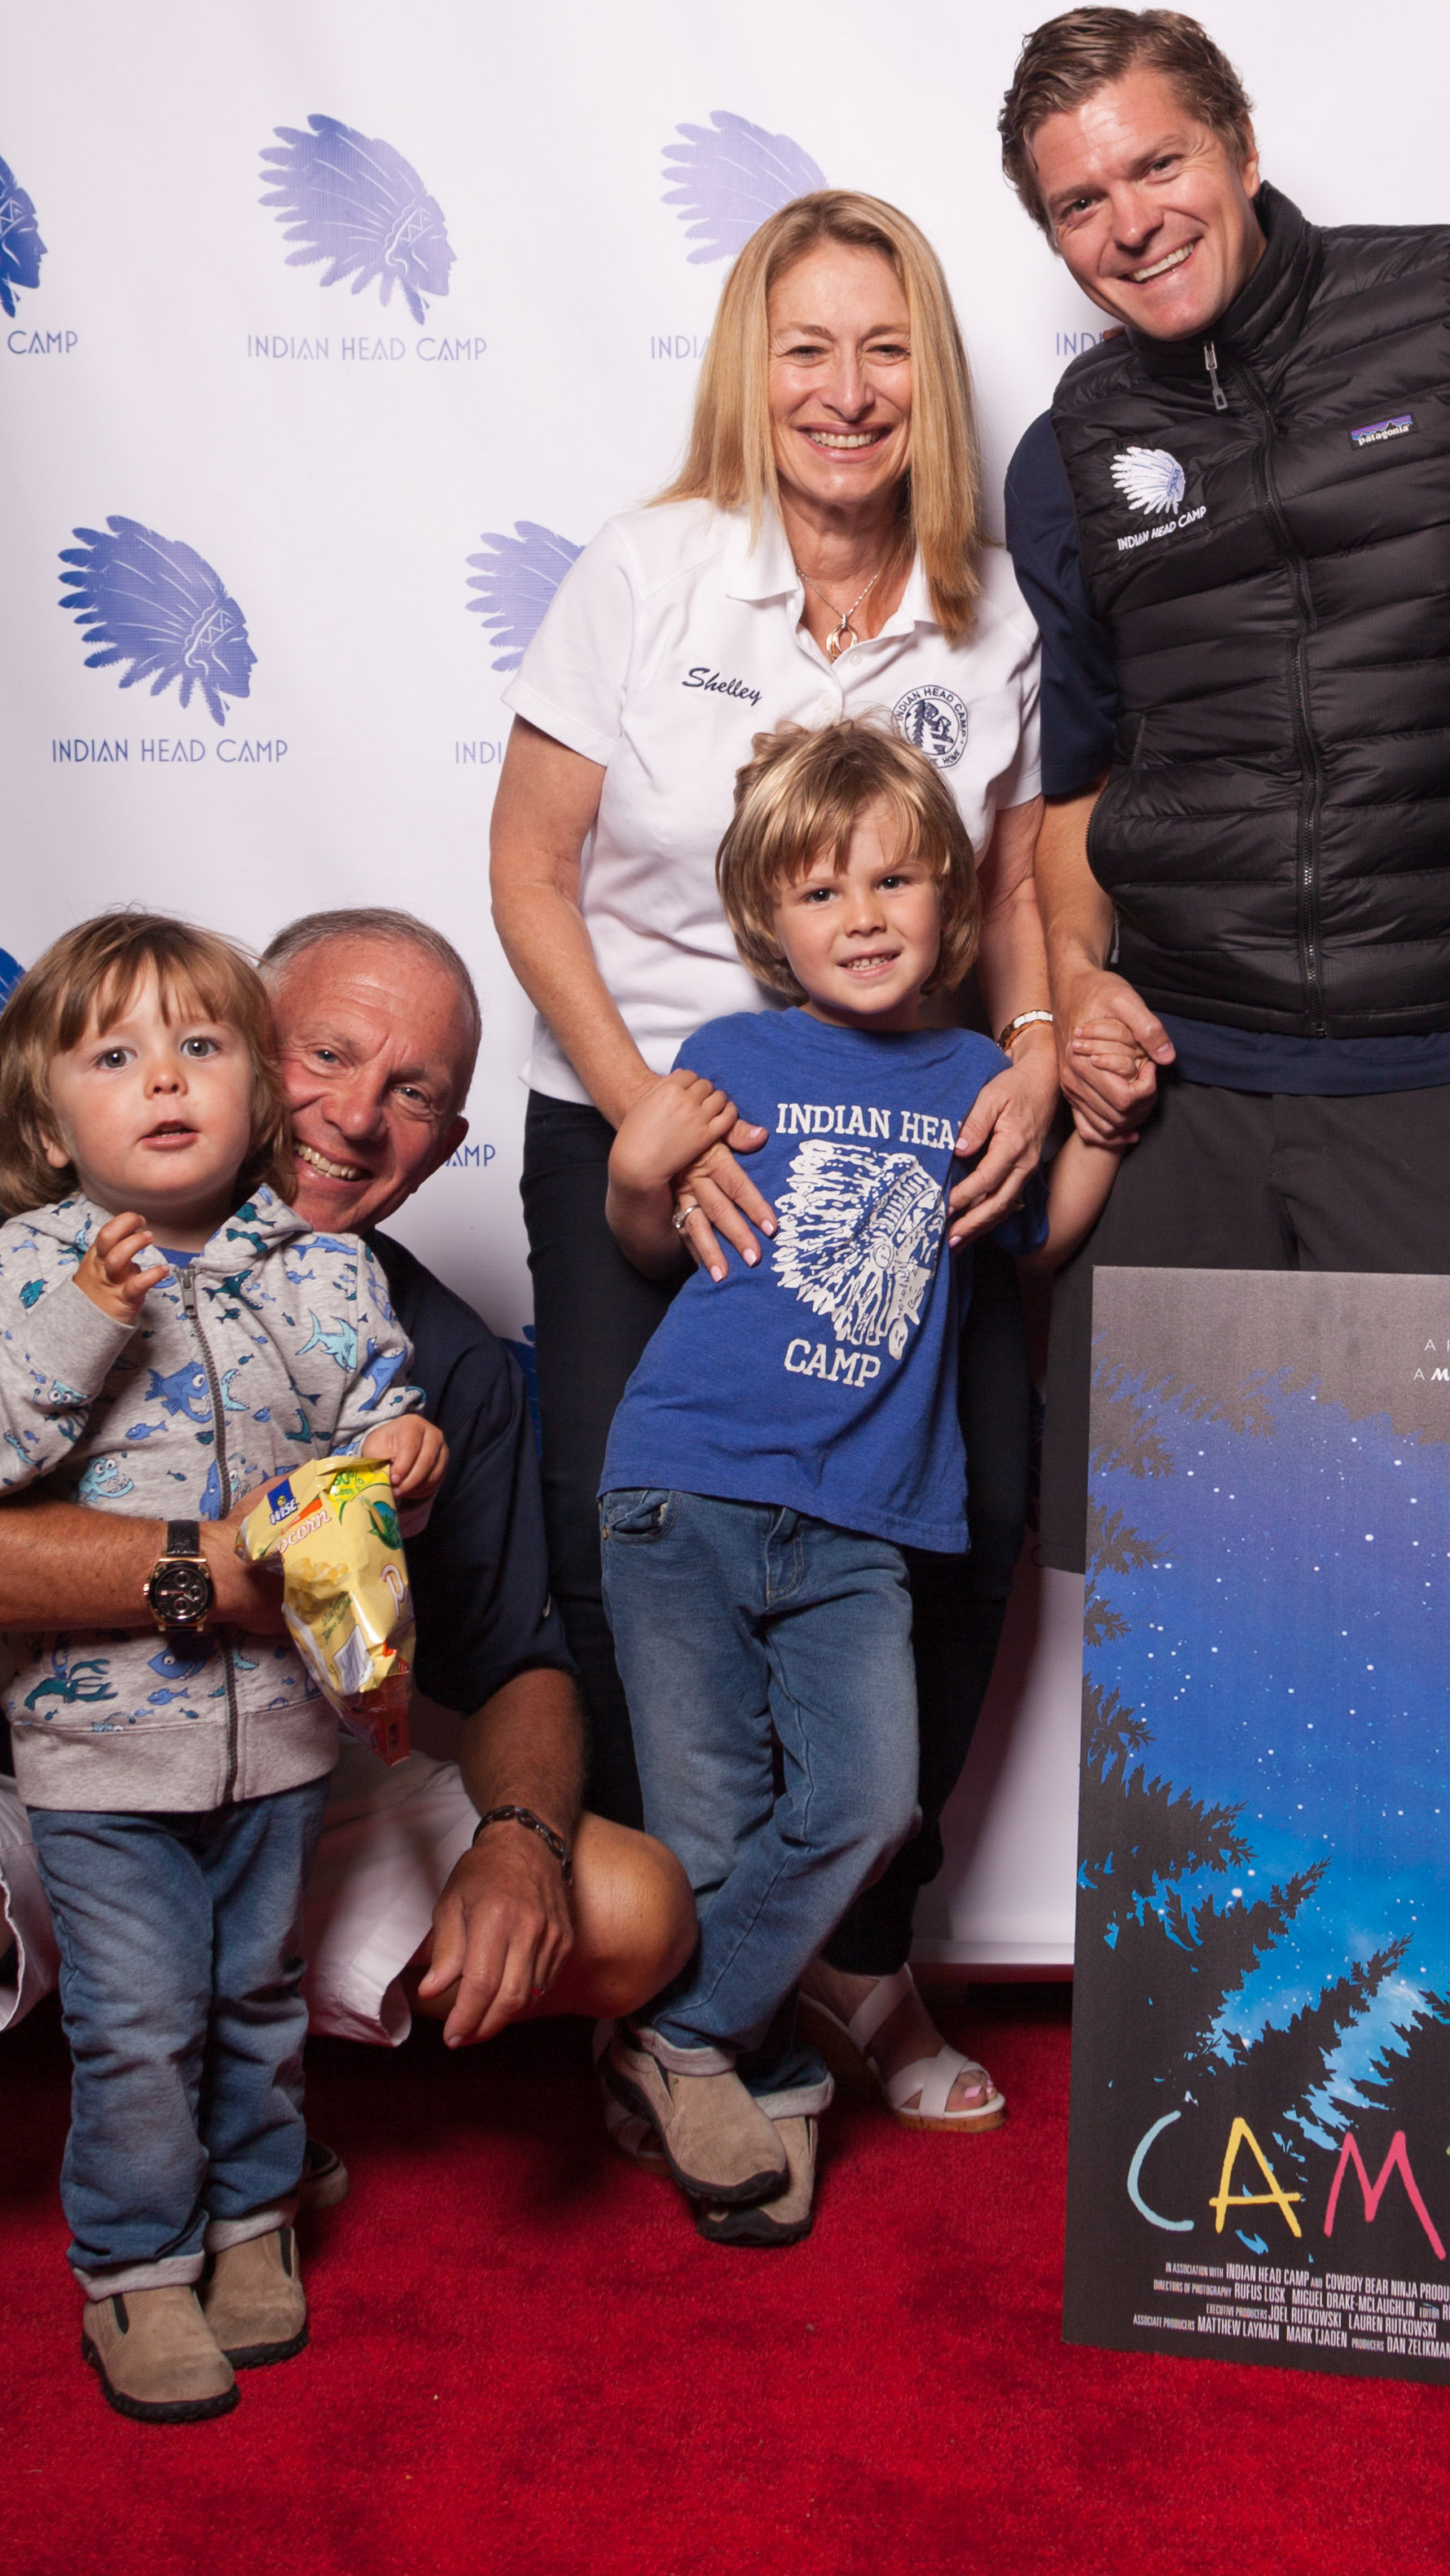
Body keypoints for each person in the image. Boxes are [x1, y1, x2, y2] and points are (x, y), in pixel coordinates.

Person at [0, 908, 692, 2433]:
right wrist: (213, 1570)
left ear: (450, 1136)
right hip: (19, 1781)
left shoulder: (417, 1334)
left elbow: (520, 1656)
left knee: (632, 1905)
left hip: (266, 1760)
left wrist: (524, 1842)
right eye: (325, 1053)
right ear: (244, 1049)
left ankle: (237, 2160)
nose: (358, 1111)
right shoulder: (18, 1229)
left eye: (414, 1090)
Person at [491, 190, 1050, 2130]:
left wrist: (1045, 1058)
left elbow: (1037, 879)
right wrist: (640, 1095)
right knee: (621, 1533)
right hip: (644, 1109)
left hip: (906, 1113)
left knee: (956, 1530)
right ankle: (676, 1994)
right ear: (752, 367)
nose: (845, 387)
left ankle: (859, 1964)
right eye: (804, 345)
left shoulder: (988, 606)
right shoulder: (646, 569)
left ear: (931, 375)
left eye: (884, 345)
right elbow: (529, 867)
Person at [0, 912, 446, 2421]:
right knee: (140, 2020)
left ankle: (254, 2220)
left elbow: (368, 1428)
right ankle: (135, 2268)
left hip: (282, 1731)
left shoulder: (316, 1262)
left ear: (252, 1089)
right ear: (45, 1112)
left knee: (257, 1994)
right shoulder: (18, 1267)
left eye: (202, 1044)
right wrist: (83, 1321)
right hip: (98, 1746)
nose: (166, 1077)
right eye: (117, 1053)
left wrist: (400, 1441)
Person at [996, 8, 1450, 1568]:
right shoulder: (1071, 453)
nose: (1131, 223)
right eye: (1078, 204)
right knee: (1177, 1600)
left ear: (1236, 144)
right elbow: (1079, 786)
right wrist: (1077, 988)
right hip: (1190, 1089)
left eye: (1156, 164)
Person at [594, 722, 1103, 2244]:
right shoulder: (729, 1056)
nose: (865, 914)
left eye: (895, 880)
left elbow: (1035, 1242)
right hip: (685, 1487)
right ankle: (749, 2088)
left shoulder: (975, 1078)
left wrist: (1105, 1125)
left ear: (952, 900)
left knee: (869, 1799)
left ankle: (678, 2044)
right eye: (823, 891)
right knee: (710, 1830)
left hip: (867, 1520)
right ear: (767, 922)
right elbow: (649, 1246)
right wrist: (639, 1163)